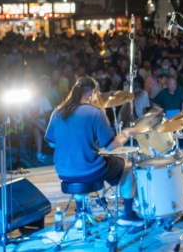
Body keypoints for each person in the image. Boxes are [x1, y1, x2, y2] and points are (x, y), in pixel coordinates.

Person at [45, 76, 144, 226]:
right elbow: (110, 146)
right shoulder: (95, 112)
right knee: (127, 166)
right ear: (92, 93)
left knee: (80, 164)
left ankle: (81, 215)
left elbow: (52, 143)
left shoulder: (57, 112)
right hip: (89, 170)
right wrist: (126, 134)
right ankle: (128, 215)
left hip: (63, 171)